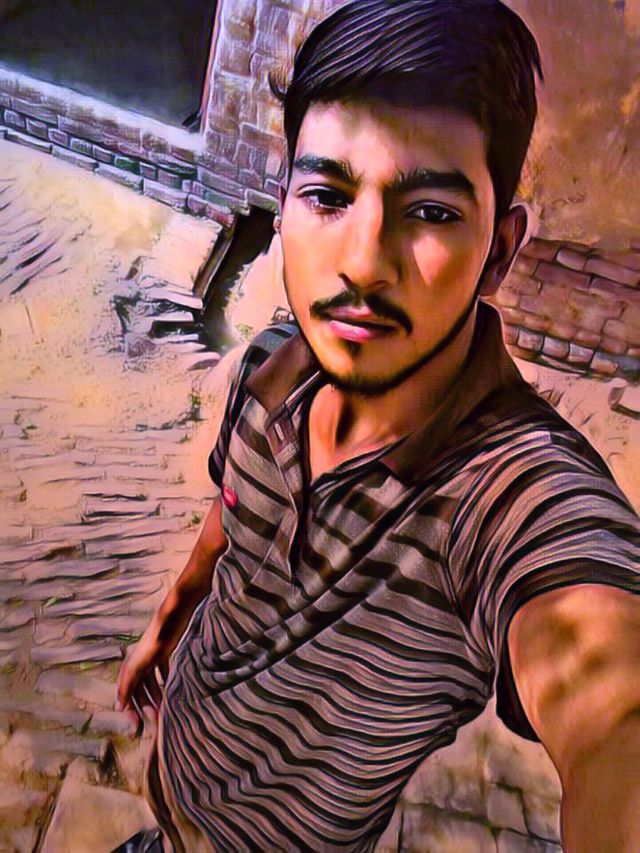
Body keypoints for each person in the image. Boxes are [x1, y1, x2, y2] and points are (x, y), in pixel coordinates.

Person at [116, 1, 640, 850]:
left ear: (500, 250)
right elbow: (230, 516)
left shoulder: (507, 497)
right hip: (170, 794)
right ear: (283, 207)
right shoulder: (271, 366)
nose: (362, 263)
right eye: (327, 196)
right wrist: (168, 620)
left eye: (430, 211)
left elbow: (609, 696)